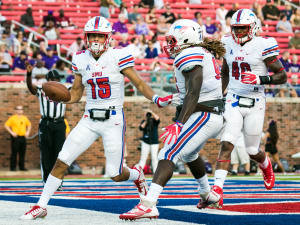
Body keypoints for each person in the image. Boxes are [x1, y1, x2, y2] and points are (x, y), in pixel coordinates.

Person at [20, 16, 179, 220]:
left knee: (116, 174)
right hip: (89, 118)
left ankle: (136, 175)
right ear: (86, 37)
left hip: (113, 119)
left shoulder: (118, 56)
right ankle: (41, 205)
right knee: (62, 160)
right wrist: (61, 99)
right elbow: (76, 94)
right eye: (92, 35)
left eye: (99, 35)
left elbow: (138, 83)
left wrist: (156, 98)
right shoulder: (80, 58)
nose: (95, 39)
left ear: (108, 37)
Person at [120, 19, 226, 220]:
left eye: (172, 40)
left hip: (205, 113)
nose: (169, 45)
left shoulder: (190, 54)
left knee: (168, 152)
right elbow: (194, 93)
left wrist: (179, 123)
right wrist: (169, 100)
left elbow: (194, 93)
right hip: (208, 112)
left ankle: (149, 203)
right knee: (189, 155)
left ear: (187, 38)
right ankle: (207, 195)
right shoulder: (200, 54)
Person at [206, 9, 287, 208]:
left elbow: (282, 76)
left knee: (252, 150)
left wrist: (260, 78)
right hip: (233, 99)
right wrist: (220, 94)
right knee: (227, 143)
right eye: (236, 28)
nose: (239, 32)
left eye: (243, 28)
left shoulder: (263, 45)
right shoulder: (227, 42)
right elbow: (225, 71)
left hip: (255, 102)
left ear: (253, 28)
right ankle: (217, 189)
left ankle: (266, 165)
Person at [24, 68, 68, 187]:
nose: (55, 81)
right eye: (52, 80)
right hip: (46, 123)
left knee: (59, 154)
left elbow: (77, 90)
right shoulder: (42, 89)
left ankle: (58, 181)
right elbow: (31, 88)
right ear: (48, 80)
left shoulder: (65, 89)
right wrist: (28, 74)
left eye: (56, 79)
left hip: (59, 123)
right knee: (46, 153)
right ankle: (47, 181)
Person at [4, 105, 31, 171]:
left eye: (21, 109)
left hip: (23, 138)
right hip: (15, 138)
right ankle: (13, 168)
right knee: (14, 153)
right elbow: (6, 125)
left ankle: (22, 167)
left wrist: (27, 132)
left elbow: (29, 125)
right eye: (18, 109)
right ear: (16, 110)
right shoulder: (12, 118)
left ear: (22, 110)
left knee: (22, 153)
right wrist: (12, 132)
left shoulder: (25, 118)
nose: (19, 110)